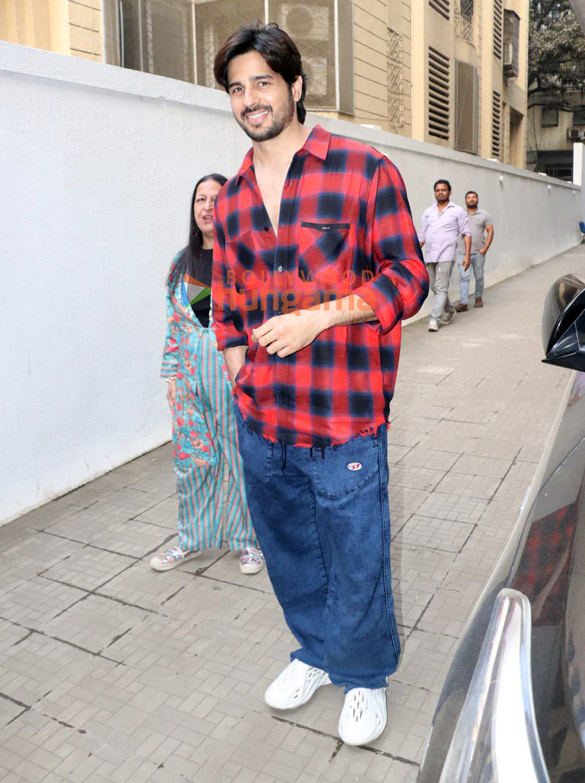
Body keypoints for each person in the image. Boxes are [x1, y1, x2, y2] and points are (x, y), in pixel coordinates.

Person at [211, 23, 428, 746]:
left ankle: (363, 675)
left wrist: (318, 319)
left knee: (356, 552)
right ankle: (313, 650)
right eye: (237, 88)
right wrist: (241, 371)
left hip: (343, 416)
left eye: (262, 82)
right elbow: (228, 301)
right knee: (290, 550)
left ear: (295, 85)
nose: (249, 99)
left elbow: (407, 276)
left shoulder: (362, 168)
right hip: (262, 423)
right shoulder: (235, 195)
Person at [152, 174, 264, 576]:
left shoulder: (244, 260)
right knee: (193, 459)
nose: (207, 207)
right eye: (200, 199)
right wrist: (171, 378)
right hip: (188, 379)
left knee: (238, 457)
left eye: (216, 198)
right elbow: (175, 325)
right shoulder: (182, 264)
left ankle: (247, 541)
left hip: (232, 373)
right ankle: (190, 540)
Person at [419, 180, 471, 332]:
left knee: (441, 288)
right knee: (434, 287)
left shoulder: (458, 210)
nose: (440, 192)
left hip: (446, 255)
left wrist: (467, 256)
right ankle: (449, 309)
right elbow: (421, 236)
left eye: (443, 190)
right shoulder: (428, 212)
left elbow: (466, 234)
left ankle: (434, 318)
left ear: (449, 192)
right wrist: (412, 253)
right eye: (437, 190)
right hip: (430, 255)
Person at [455, 191, 494, 311]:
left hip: (478, 253)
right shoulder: (460, 214)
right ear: (465, 200)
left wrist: (485, 248)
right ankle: (463, 303)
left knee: (479, 276)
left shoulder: (484, 215)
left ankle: (478, 298)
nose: (471, 199)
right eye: (468, 198)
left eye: (473, 197)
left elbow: (490, 231)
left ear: (477, 199)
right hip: (462, 252)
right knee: (464, 277)